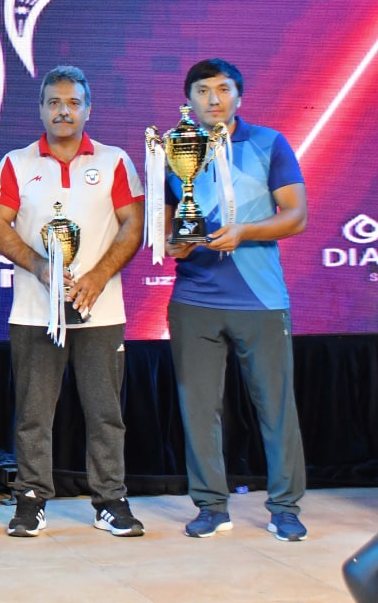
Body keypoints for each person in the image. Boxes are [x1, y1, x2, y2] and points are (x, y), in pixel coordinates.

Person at [0, 65, 146, 538]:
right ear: (40, 109)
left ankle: (110, 500)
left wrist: (97, 276)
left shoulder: (115, 161)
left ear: (88, 109)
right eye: (54, 102)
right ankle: (31, 499)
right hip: (36, 311)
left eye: (73, 102)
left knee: (105, 413)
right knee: (33, 415)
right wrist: (41, 267)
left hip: (101, 309)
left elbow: (133, 224)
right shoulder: (16, 162)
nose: (63, 111)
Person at [165, 58, 308, 541]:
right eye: (202, 90)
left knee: (276, 408)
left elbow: (296, 216)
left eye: (223, 89)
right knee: (199, 410)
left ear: (238, 97)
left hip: (261, 300)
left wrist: (244, 231)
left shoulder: (269, 143)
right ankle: (211, 506)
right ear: (189, 100)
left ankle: (285, 508)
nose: (213, 98)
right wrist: (174, 241)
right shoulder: (174, 147)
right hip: (194, 300)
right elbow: (167, 224)